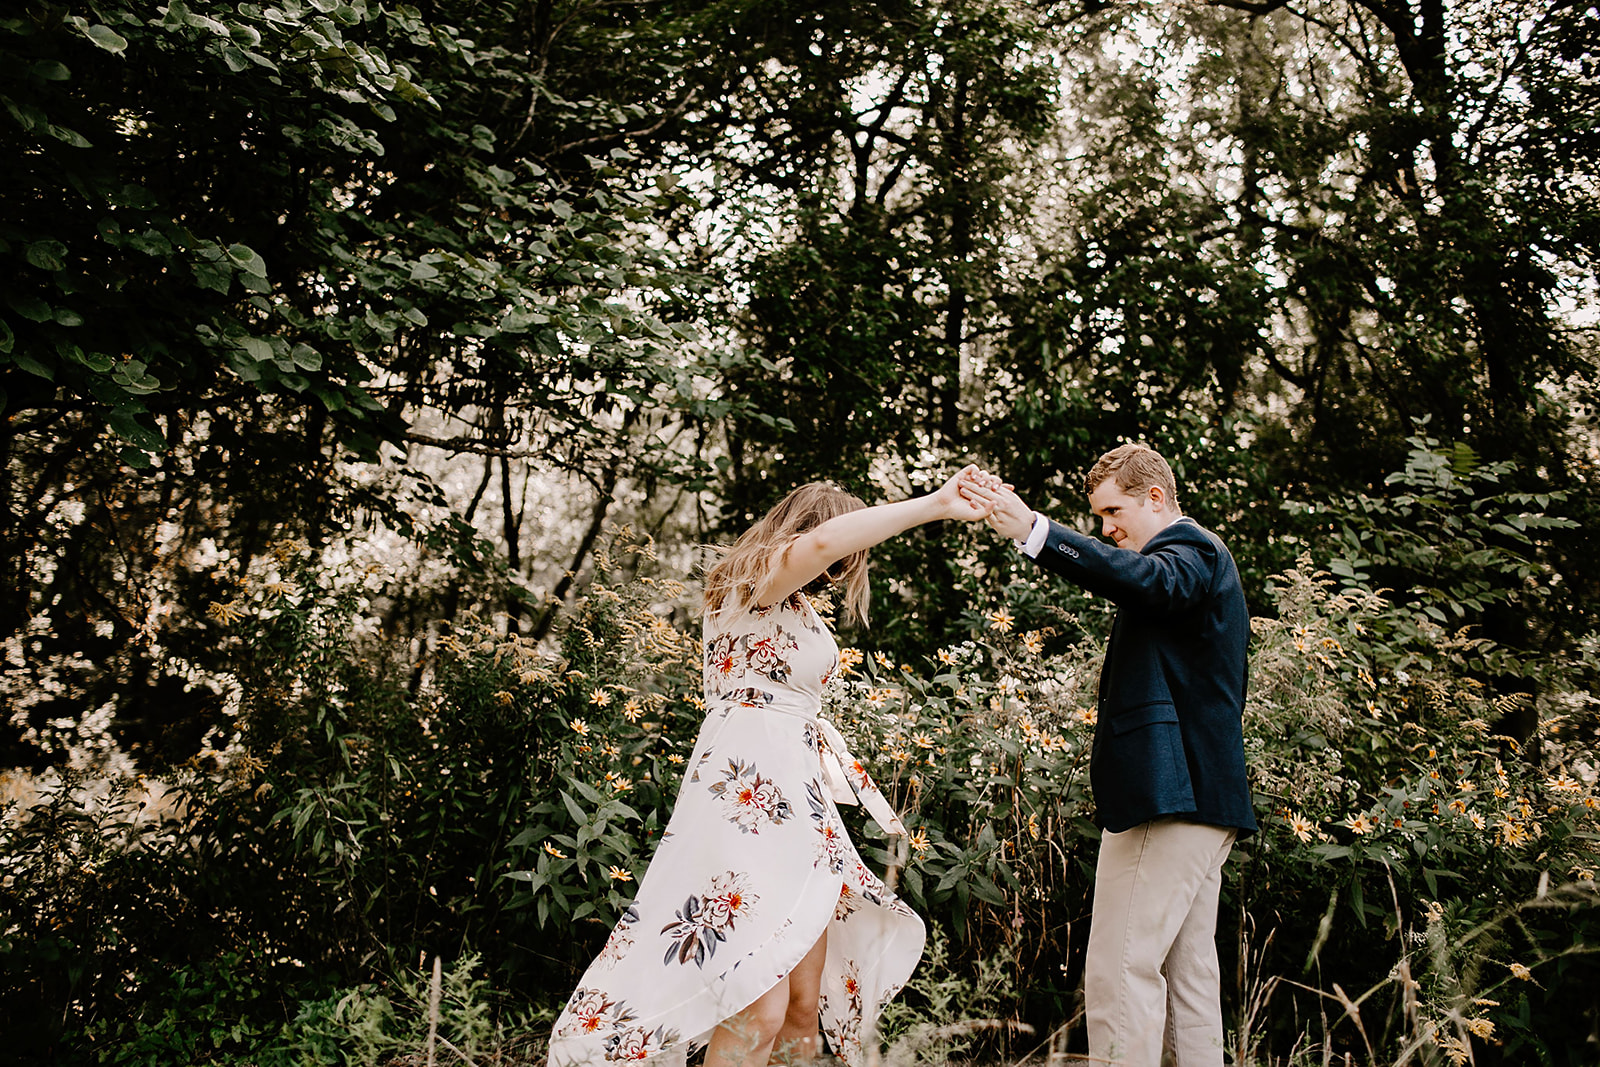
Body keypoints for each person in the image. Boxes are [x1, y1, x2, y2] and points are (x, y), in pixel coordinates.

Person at [549, 471, 995, 1067]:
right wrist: (934, 505)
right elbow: (819, 548)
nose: (844, 566)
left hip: (798, 799)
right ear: (813, 531)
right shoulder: (748, 582)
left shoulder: (799, 604)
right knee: (754, 1001)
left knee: (802, 1005)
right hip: (743, 793)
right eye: (847, 548)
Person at [958, 445, 1257, 1067]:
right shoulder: (1190, 564)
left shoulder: (1191, 553)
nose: (1106, 528)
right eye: (1097, 516)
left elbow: (1146, 580)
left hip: (1170, 795)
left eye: (1113, 510)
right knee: (1190, 974)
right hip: (1202, 798)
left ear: (1156, 498)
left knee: (1120, 970)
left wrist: (1035, 531)